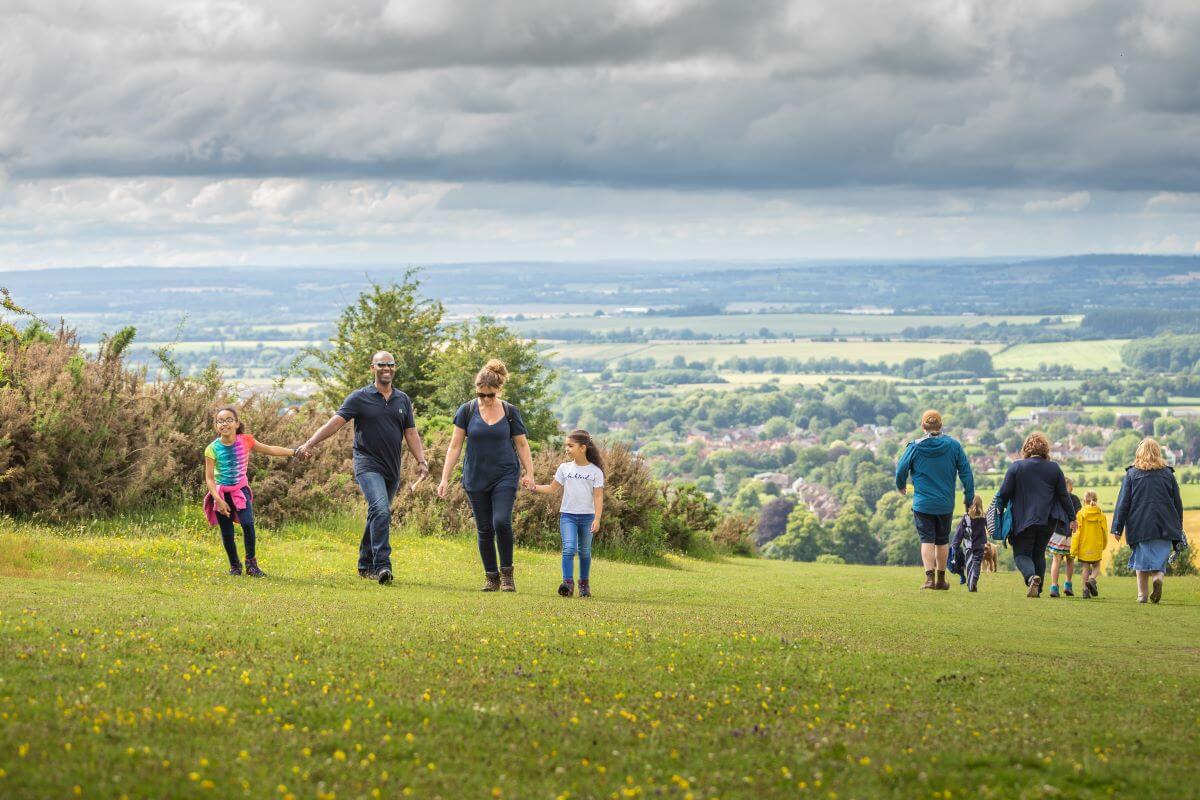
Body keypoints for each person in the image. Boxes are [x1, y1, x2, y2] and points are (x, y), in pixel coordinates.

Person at [295, 351, 430, 585]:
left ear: (394, 368)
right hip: (366, 463)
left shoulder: (402, 400)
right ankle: (382, 566)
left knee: (377, 513)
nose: (386, 368)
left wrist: (421, 460)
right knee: (380, 509)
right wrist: (309, 443)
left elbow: (411, 432)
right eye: (381, 364)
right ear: (372, 368)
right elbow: (335, 423)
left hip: (392, 467)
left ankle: (364, 565)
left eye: (390, 364)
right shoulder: (359, 397)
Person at [439, 359, 536, 592]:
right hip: (475, 476)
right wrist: (444, 478)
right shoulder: (467, 410)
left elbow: (522, 445)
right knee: (484, 528)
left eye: (489, 395)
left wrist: (530, 473)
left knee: (501, 521)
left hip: (505, 474)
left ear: (498, 390)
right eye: (480, 394)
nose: (484, 399)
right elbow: (454, 447)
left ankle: (507, 576)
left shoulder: (511, 412)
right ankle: (491, 577)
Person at [203, 405, 297, 577]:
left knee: (248, 524)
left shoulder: (246, 440)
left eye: (229, 420)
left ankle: (251, 565)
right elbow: (209, 478)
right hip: (221, 494)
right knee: (227, 532)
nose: (224, 424)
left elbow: (270, 449)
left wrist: (294, 452)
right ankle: (235, 566)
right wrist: (218, 500)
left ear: (237, 423)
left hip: (240, 491)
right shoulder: (212, 449)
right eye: (220, 421)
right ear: (216, 426)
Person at [895, 410, 975, 591]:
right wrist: (969, 497)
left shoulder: (914, 447)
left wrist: (901, 485)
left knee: (926, 540)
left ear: (923, 426)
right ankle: (941, 579)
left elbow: (901, 469)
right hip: (945, 503)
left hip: (922, 504)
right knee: (942, 541)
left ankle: (929, 579)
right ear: (941, 426)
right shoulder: (954, 446)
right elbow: (966, 473)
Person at [994, 432, 1076, 598]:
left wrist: (998, 514)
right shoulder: (1054, 468)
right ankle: (1037, 589)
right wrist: (1072, 518)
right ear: (1045, 449)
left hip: (1023, 520)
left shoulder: (1017, 467)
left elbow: (1003, 494)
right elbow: (1063, 496)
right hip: (1048, 520)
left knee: (1021, 554)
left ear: (1026, 449)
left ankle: (1032, 577)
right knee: (1039, 553)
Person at [1110, 438, 1186, 604]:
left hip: (1140, 525)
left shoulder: (1132, 474)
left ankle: (1142, 595)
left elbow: (1123, 502)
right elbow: (1177, 502)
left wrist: (1117, 527)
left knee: (1141, 562)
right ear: (1158, 452)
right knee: (1159, 563)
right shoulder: (1168, 473)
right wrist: (1179, 525)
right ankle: (1157, 579)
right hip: (1165, 525)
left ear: (1140, 452)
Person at [532, 430, 606, 598]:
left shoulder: (596, 472)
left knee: (585, 551)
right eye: (566, 445)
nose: (566, 449)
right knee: (569, 548)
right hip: (568, 516)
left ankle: (584, 584)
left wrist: (597, 518)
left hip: (588, 518)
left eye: (570, 446)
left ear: (583, 448)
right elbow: (552, 488)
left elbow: (598, 496)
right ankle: (568, 584)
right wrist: (533, 487)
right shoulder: (564, 468)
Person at [1047, 478, 1083, 598]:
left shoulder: (1055, 498)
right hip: (1071, 533)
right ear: (1068, 485)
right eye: (1071, 485)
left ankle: (1053, 586)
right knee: (1070, 559)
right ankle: (1068, 585)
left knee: (1056, 560)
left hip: (1057, 532)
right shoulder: (1075, 499)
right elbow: (1079, 516)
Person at [1072, 491, 1108, 599]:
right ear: (1096, 501)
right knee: (1096, 566)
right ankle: (1092, 579)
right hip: (1096, 545)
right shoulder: (1101, 515)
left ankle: (1085, 591)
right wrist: (1103, 545)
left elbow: (1076, 533)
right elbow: (1104, 532)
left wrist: (1074, 549)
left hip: (1084, 546)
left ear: (1084, 501)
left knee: (1085, 568)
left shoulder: (1080, 514)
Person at [951, 495, 988, 592]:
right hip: (980, 545)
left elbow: (960, 532)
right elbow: (990, 528)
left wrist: (955, 545)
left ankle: (971, 583)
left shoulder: (966, 518)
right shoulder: (984, 516)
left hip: (969, 546)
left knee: (969, 564)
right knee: (977, 563)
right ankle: (974, 581)